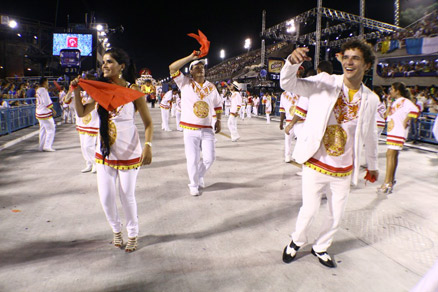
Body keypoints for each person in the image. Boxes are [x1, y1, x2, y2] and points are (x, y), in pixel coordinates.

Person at [280, 40, 380, 268]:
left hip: (343, 169)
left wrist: (372, 164)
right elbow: (288, 84)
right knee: (310, 209)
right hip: (316, 162)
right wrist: (290, 64)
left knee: (336, 215)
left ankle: (321, 247)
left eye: (355, 58)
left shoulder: (371, 99)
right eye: (346, 57)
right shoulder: (324, 82)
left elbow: (371, 134)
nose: (349, 62)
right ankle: (296, 241)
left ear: (366, 64)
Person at [71, 47, 153, 253]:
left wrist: (148, 146)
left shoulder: (134, 92)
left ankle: (133, 233)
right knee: (106, 197)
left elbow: (148, 123)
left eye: (109, 62)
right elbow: (81, 113)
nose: (104, 66)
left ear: (121, 66)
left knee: (127, 196)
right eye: (103, 63)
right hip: (105, 152)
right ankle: (116, 230)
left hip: (129, 152)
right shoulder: (101, 90)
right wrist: (77, 90)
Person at [169, 51, 223, 196]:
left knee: (209, 158)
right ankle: (193, 184)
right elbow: (172, 68)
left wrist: (219, 120)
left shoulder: (211, 87)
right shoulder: (185, 83)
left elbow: (218, 105)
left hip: (207, 129)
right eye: (196, 67)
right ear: (191, 71)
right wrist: (190, 58)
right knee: (192, 159)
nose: (200, 68)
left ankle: (199, 175)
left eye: (202, 67)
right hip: (190, 128)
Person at [377, 82, 419, 194]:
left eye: (392, 89)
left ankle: (387, 182)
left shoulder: (405, 101)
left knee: (390, 154)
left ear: (397, 90)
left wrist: (406, 119)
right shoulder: (395, 102)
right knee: (392, 155)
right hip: (393, 130)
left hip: (399, 131)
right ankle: (390, 181)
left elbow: (415, 110)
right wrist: (389, 104)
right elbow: (385, 116)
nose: (390, 91)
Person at [279, 66, 305, 163]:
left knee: (301, 140)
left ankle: (298, 156)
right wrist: (281, 122)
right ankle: (287, 156)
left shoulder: (301, 90)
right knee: (288, 140)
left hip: (300, 120)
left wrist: (298, 72)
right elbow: (282, 109)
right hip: (289, 120)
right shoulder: (283, 95)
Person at [35, 77, 57, 152]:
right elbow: (46, 101)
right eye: (47, 82)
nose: (48, 84)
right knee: (51, 129)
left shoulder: (38, 90)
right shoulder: (43, 90)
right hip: (44, 112)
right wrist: (53, 109)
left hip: (39, 111)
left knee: (43, 129)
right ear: (44, 82)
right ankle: (47, 146)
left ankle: (41, 146)